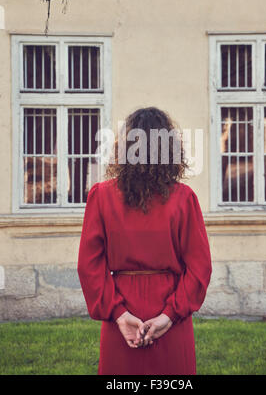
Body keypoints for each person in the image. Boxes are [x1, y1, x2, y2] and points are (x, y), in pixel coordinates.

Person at [77, 106, 212, 375]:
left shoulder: (101, 196)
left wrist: (119, 314)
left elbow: (89, 266)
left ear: (125, 145)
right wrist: (169, 316)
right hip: (171, 306)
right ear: (171, 149)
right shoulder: (184, 198)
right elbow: (199, 268)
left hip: (122, 304)